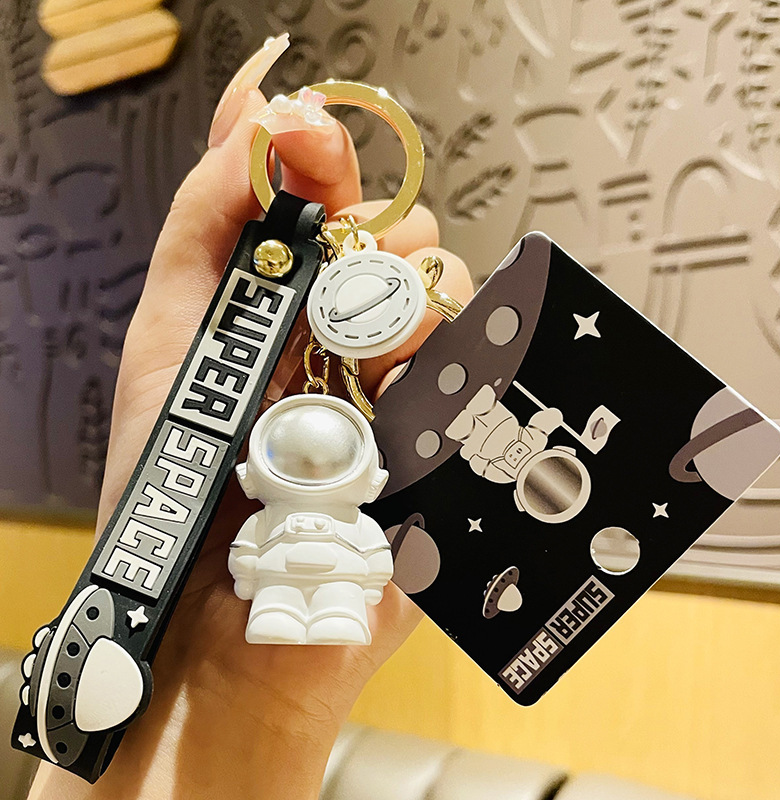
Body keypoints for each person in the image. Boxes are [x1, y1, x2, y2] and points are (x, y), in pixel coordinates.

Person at [27, 34, 473, 800]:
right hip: (252, 600)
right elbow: (250, 554)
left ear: (369, 474)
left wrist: (253, 715)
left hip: (328, 606)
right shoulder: (254, 500)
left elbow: (364, 556)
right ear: (253, 471)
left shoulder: (348, 501)